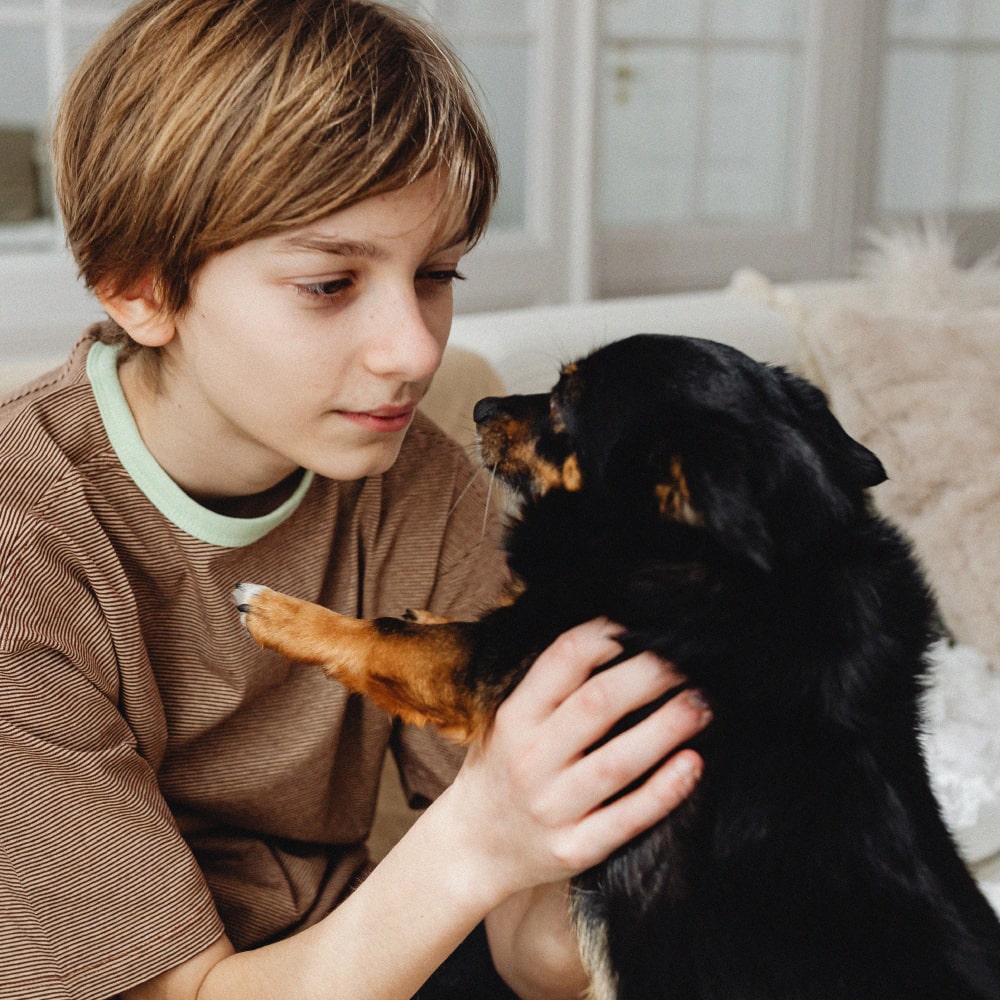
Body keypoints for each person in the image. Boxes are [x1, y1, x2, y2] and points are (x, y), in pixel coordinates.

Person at [0, 1, 712, 998]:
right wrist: (476, 840)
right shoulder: (22, 559)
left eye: (435, 274)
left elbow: (530, 941)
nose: (416, 351)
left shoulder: (414, 482)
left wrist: (616, 830)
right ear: (139, 288)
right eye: (330, 283)